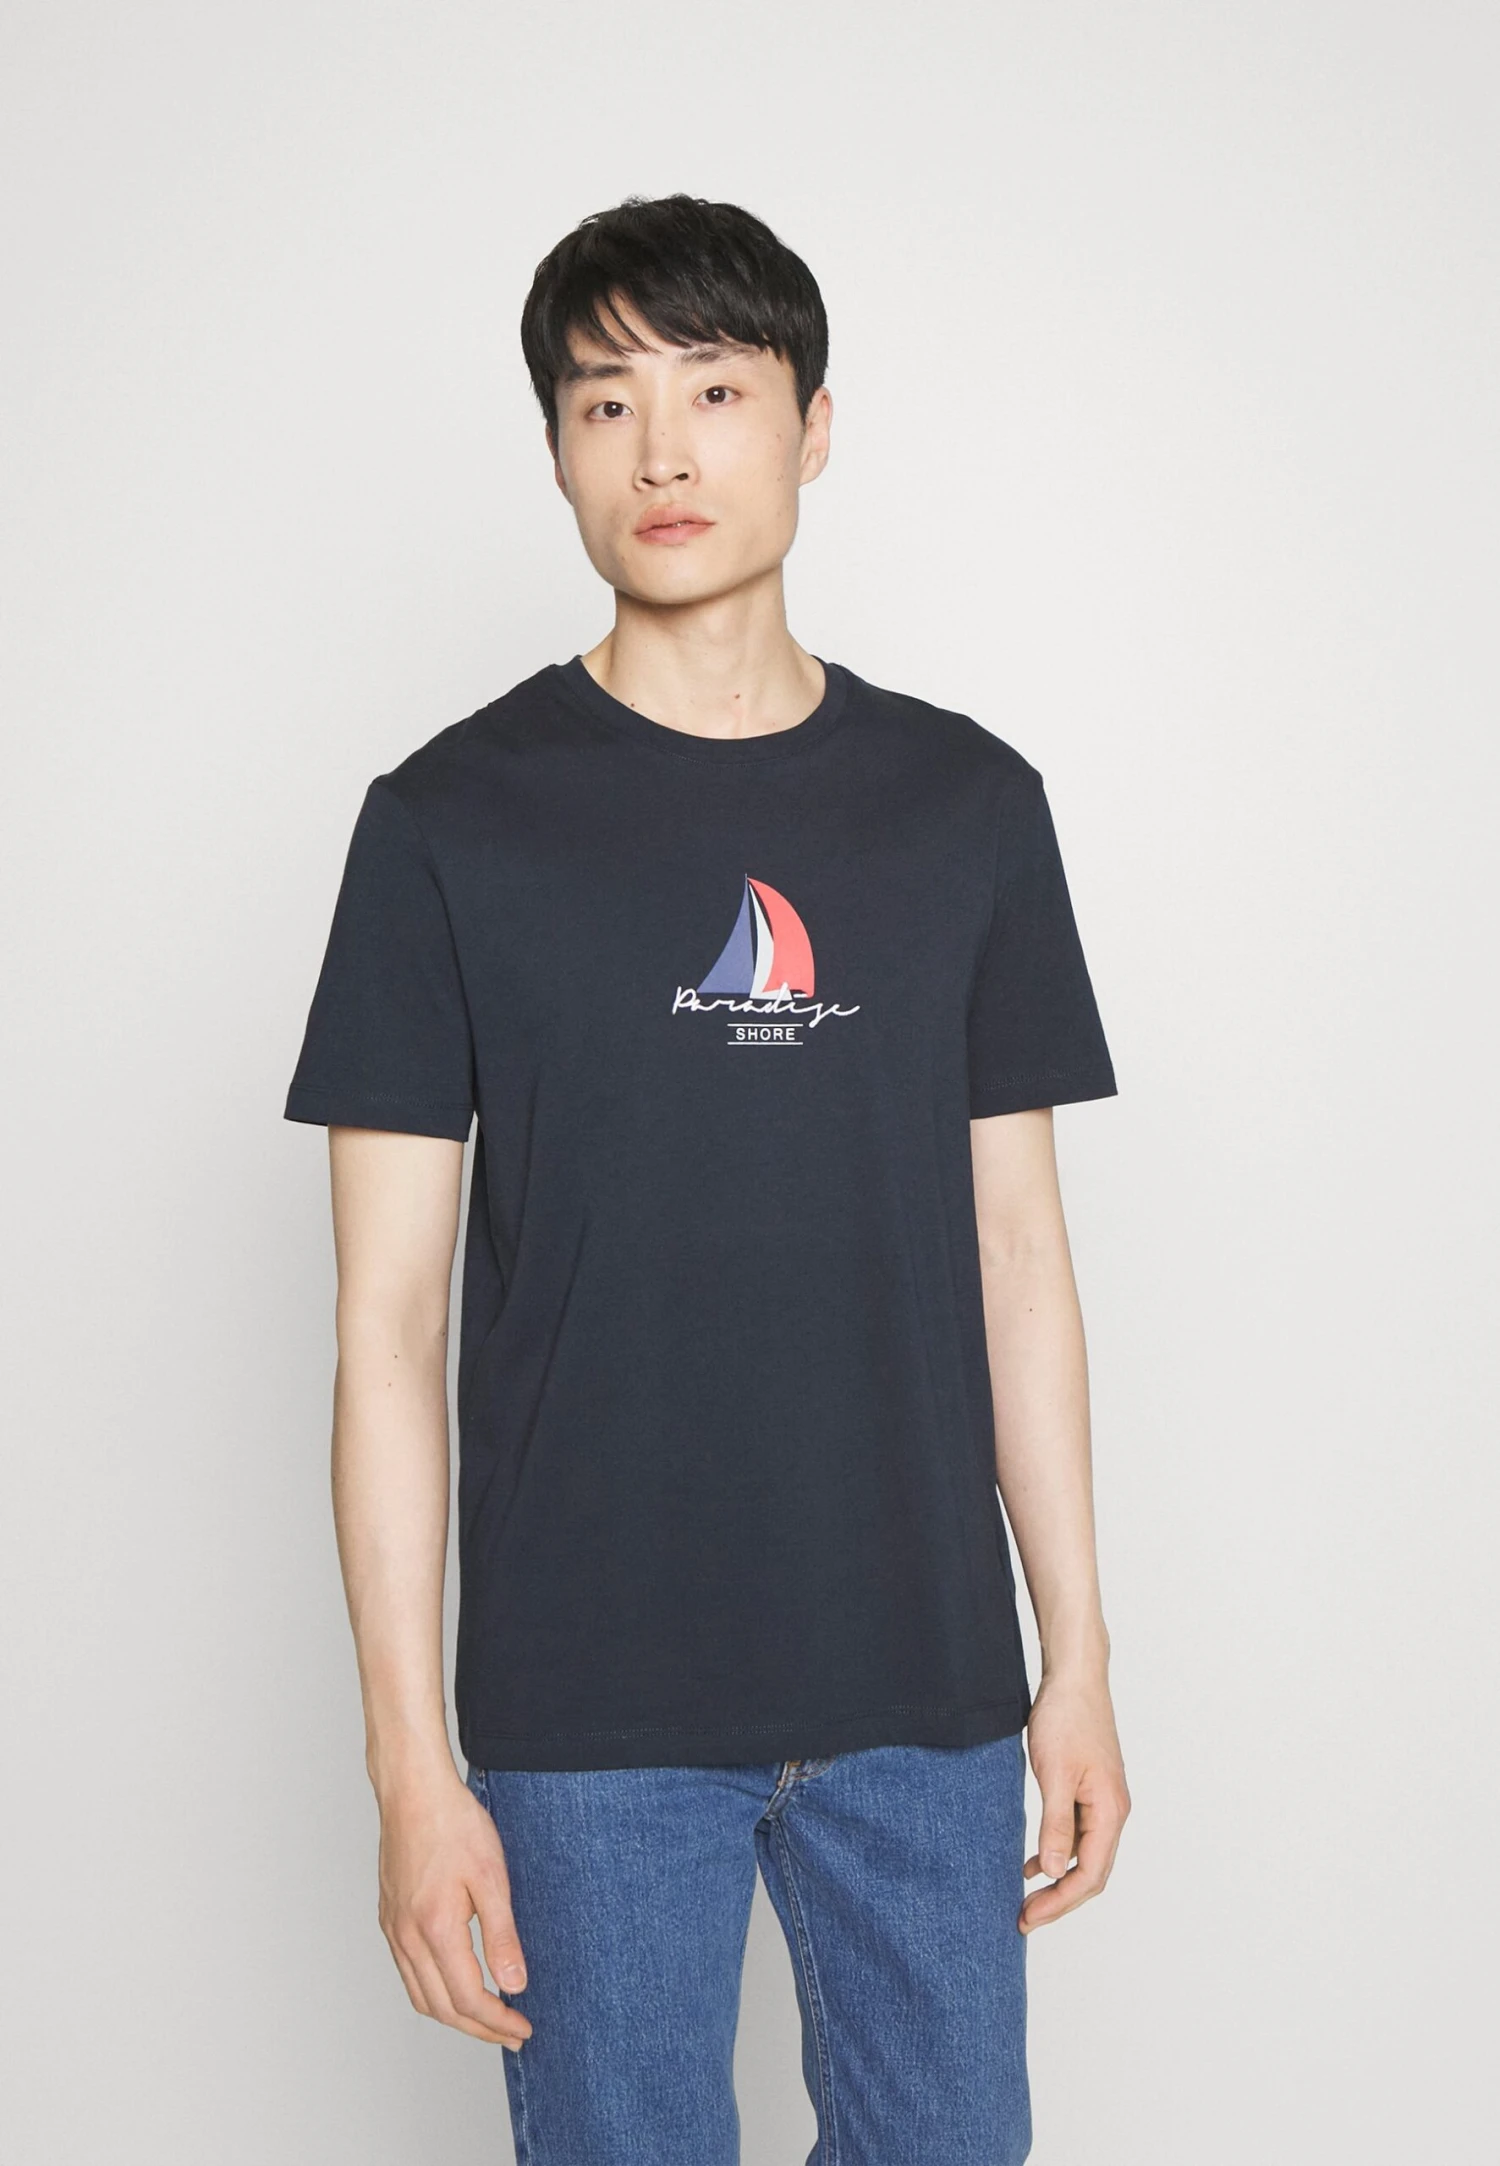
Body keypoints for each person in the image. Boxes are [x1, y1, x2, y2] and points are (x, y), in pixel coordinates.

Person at [284, 191, 1130, 2166]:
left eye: (717, 390)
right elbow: (386, 1330)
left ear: (814, 426)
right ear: (557, 452)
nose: (661, 450)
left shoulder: (967, 809)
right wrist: (411, 1761)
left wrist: (1075, 1658)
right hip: (587, 1714)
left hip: (926, 1689)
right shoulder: (447, 826)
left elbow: (1021, 1259)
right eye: (606, 404)